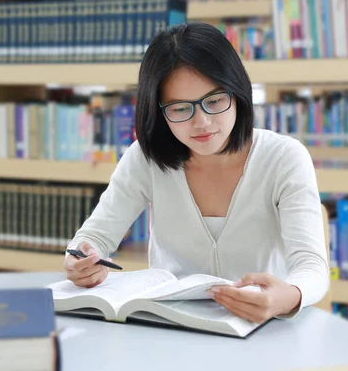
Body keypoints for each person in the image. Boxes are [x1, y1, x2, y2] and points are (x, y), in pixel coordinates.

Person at [63, 22, 329, 323]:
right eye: (179, 109)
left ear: (238, 94)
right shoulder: (145, 159)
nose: (202, 122)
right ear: (159, 112)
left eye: (214, 101)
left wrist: (289, 295)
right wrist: (80, 261)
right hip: (172, 328)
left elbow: (311, 267)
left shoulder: (284, 159)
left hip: (260, 328)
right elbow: (92, 237)